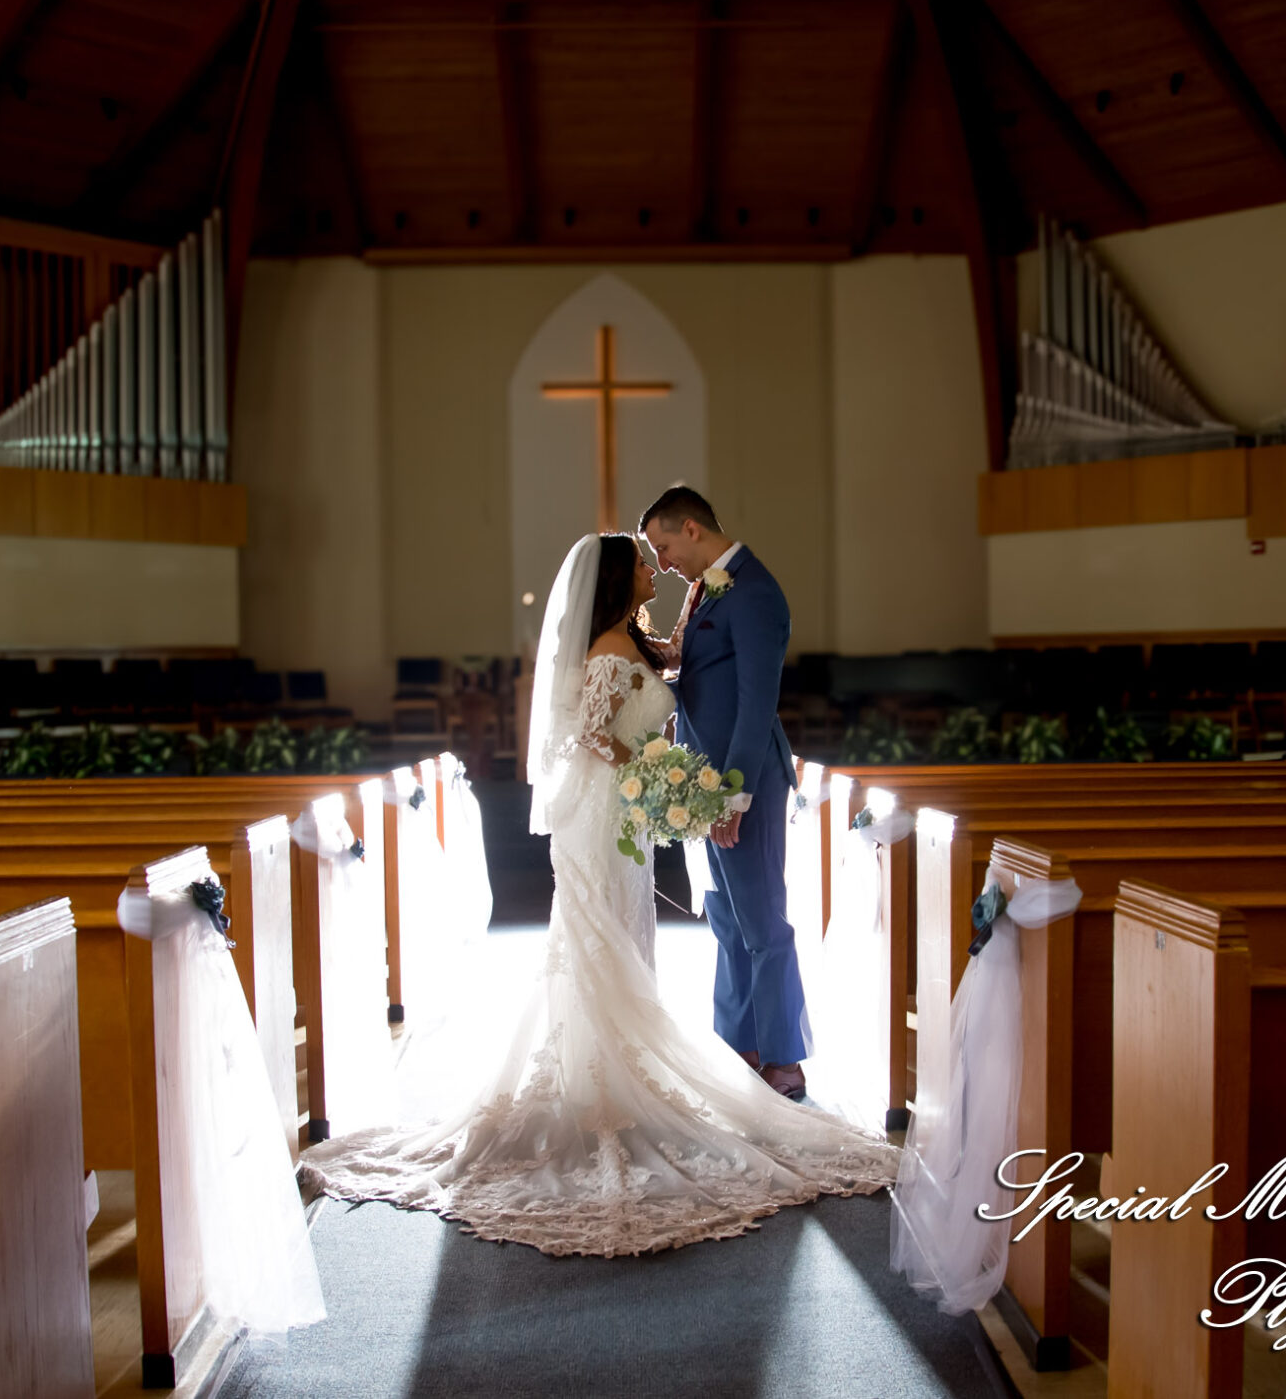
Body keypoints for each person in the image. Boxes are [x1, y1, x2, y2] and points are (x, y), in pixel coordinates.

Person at [299, 533, 893, 1257]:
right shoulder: (612, 652)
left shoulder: (634, 640)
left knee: (624, 933)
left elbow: (675, 658)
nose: (654, 568)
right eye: (644, 563)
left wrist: (698, 602)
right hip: (604, 809)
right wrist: (656, 771)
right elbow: (590, 736)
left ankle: (615, 1073)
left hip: (626, 814)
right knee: (598, 935)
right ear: (618, 579)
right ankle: (600, 1084)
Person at [640, 486, 810, 1101]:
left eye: (663, 547)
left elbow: (757, 702)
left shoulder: (755, 591)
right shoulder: (708, 587)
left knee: (763, 922)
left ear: (691, 528)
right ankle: (740, 1044)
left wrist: (734, 793)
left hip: (746, 784)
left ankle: (785, 1059)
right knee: (727, 922)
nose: (662, 564)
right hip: (706, 783)